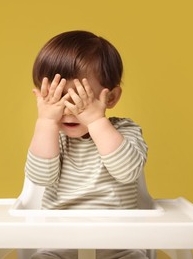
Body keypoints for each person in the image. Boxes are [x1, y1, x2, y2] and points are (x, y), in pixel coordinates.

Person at [25, 30, 148, 259]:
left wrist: (96, 121)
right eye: (57, 98)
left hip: (119, 244)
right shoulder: (53, 138)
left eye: (81, 99)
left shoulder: (125, 131)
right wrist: (45, 122)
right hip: (59, 244)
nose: (70, 110)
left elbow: (128, 172)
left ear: (110, 97)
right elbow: (40, 178)